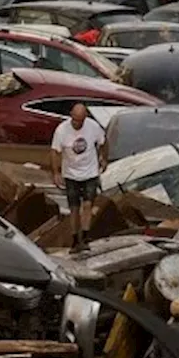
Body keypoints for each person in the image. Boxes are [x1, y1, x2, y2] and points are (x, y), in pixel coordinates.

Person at [51, 104, 108, 249]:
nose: (77, 123)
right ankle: (76, 238)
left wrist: (103, 157)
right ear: (71, 115)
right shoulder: (62, 131)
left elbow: (103, 142)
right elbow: (55, 152)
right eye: (75, 120)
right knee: (74, 208)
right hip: (71, 174)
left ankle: (86, 234)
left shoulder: (93, 127)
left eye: (80, 121)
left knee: (88, 205)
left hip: (90, 173)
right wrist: (56, 172)